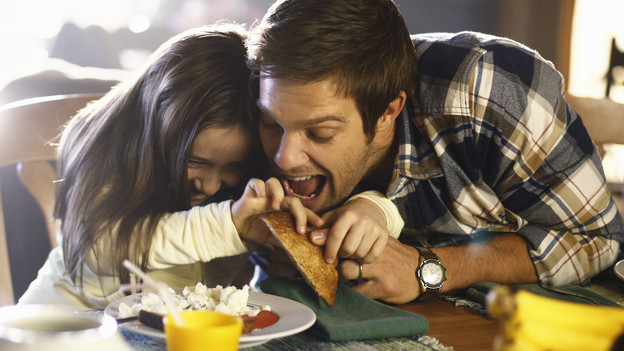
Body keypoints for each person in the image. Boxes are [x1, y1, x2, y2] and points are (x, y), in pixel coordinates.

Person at [247, 0, 624, 304]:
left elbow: (598, 239)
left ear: (388, 112)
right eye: (271, 124)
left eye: (320, 132)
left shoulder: (488, 92)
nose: (284, 158)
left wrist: (427, 268)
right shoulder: (256, 99)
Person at [18, 23, 402, 309]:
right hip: (55, 329)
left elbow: (322, 221)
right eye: (195, 161)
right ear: (154, 130)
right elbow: (96, 248)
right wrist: (230, 223)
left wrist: (375, 210)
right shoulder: (115, 160)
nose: (212, 183)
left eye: (233, 166)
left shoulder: (254, 183)